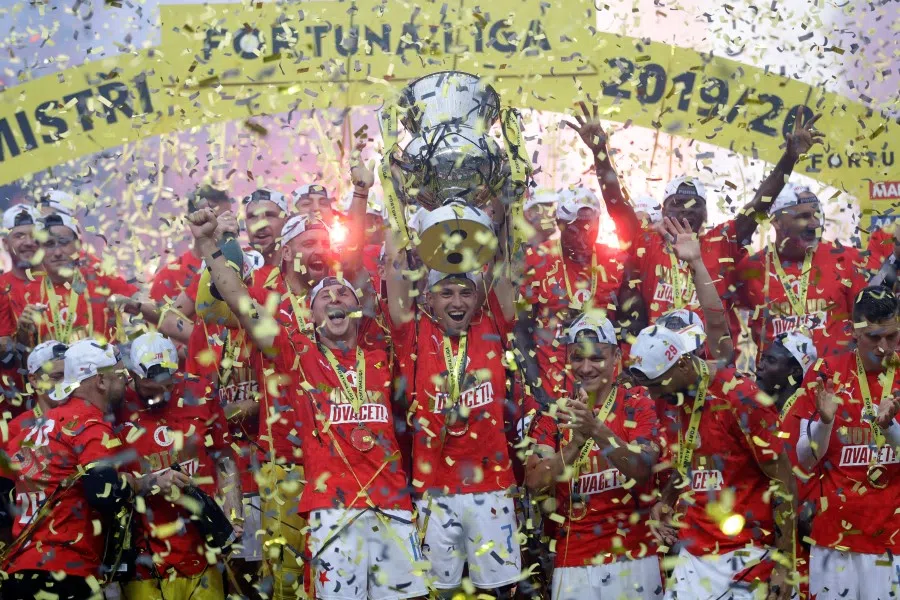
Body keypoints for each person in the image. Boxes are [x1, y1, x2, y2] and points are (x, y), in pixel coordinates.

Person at [189, 207, 428, 600]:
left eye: (343, 293)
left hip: (391, 502)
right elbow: (237, 300)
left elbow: (397, 290)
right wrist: (209, 245)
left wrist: (391, 208)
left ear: (358, 310)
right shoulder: (298, 353)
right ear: (310, 316)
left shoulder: (380, 349)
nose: (334, 296)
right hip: (323, 499)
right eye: (324, 296)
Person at [568, 102, 824, 338]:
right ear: (663, 208)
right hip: (659, 367)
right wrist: (600, 151)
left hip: (711, 367)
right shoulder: (646, 242)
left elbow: (758, 203)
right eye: (677, 203)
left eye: (695, 205)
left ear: (705, 213)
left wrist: (789, 158)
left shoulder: (722, 242)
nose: (686, 210)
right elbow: (618, 206)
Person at [385, 219, 521, 596]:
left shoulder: (491, 323)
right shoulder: (412, 331)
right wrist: (392, 198)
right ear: (428, 299)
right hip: (433, 491)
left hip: (492, 487)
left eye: (465, 292)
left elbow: (504, 263)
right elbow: (393, 270)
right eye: (446, 293)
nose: (457, 301)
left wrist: (498, 212)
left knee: (499, 592)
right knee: (438, 593)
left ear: (478, 298)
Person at [628, 325, 797, 600]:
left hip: (747, 555)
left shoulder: (741, 397)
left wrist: (785, 564)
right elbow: (693, 459)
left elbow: (783, 479)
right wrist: (666, 500)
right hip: (693, 554)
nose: (655, 396)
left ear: (682, 364)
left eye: (657, 385)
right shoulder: (680, 393)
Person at [524, 312, 662, 600]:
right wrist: (575, 444)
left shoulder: (637, 402)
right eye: (577, 357)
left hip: (634, 557)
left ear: (615, 358)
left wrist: (597, 429)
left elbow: (644, 469)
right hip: (574, 559)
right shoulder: (554, 414)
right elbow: (535, 480)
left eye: (597, 358)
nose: (586, 368)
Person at [1, 339, 135, 600]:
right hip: (66, 571)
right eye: (120, 375)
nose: (127, 382)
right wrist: (139, 483)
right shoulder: (87, 421)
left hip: (19, 570)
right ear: (100, 381)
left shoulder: (35, 427)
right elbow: (103, 493)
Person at [791, 286, 900, 599]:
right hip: (835, 536)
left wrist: (890, 425)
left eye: (892, 336)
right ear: (853, 331)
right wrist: (825, 424)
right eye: (874, 337)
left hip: (892, 538)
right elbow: (807, 459)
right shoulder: (826, 372)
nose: (883, 348)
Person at [118, 332, 240, 600]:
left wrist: (233, 508)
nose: (160, 397)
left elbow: (224, 455)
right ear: (132, 374)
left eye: (168, 387)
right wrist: (150, 482)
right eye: (150, 391)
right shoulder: (116, 405)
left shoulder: (202, 391)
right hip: (145, 555)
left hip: (202, 545)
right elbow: (105, 481)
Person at [736, 183, 876, 358]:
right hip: (776, 380)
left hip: (834, 381)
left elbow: (866, 325)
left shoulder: (847, 259)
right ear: (776, 222)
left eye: (817, 215)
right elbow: (726, 326)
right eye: (803, 216)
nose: (814, 224)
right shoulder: (750, 268)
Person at [518, 186, 626, 403]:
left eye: (590, 227)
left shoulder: (616, 261)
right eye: (575, 229)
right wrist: (537, 387)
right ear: (559, 224)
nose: (583, 237)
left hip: (602, 387)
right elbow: (521, 331)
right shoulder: (536, 258)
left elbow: (630, 326)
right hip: (549, 385)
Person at [2, 213, 139, 346]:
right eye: (49, 244)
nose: (57, 252)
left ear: (78, 245)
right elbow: (22, 358)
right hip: (53, 368)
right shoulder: (27, 294)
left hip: (104, 367)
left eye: (64, 243)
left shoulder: (102, 277)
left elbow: (149, 311)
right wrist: (23, 332)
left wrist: (136, 305)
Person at [150, 185, 236, 303]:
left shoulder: (241, 268)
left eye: (227, 217)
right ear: (194, 219)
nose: (223, 225)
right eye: (215, 217)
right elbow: (165, 320)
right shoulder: (169, 275)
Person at [756, 331, 817, 418]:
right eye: (762, 358)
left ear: (796, 371)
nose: (759, 366)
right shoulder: (758, 406)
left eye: (771, 360)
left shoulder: (802, 418)